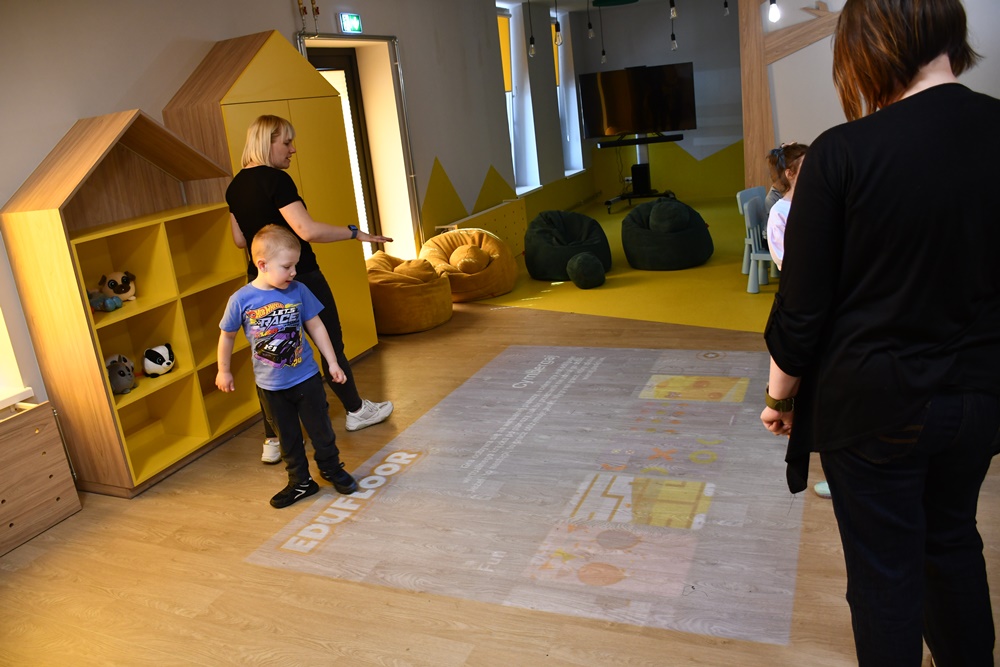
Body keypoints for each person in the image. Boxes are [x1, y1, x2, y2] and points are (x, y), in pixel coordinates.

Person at [759, 1, 999, 665]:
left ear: (871, 49)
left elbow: (801, 308)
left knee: (885, 574)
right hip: (978, 398)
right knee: (952, 541)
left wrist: (779, 397)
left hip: (873, 405)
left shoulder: (842, 153)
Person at [226, 114, 394, 465]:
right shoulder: (277, 180)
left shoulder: (235, 186)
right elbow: (307, 231)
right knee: (328, 340)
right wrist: (355, 233)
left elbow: (240, 239)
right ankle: (355, 410)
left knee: (271, 356)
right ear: (267, 142)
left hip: (260, 283)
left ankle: (273, 439)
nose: (293, 150)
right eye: (286, 142)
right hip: (299, 277)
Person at [217, 225, 359, 508]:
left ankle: (331, 468)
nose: (293, 272)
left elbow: (316, 326)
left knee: (321, 430)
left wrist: (332, 362)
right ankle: (301, 482)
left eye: (295, 265)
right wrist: (224, 369)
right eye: (287, 266)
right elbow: (227, 336)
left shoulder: (299, 290)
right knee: (288, 438)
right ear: (262, 265)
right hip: (271, 386)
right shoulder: (241, 300)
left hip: (306, 378)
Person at [763, 142, 808, 271]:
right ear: (790, 174)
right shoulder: (779, 212)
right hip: (799, 274)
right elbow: (781, 256)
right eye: (807, 167)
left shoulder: (815, 202)